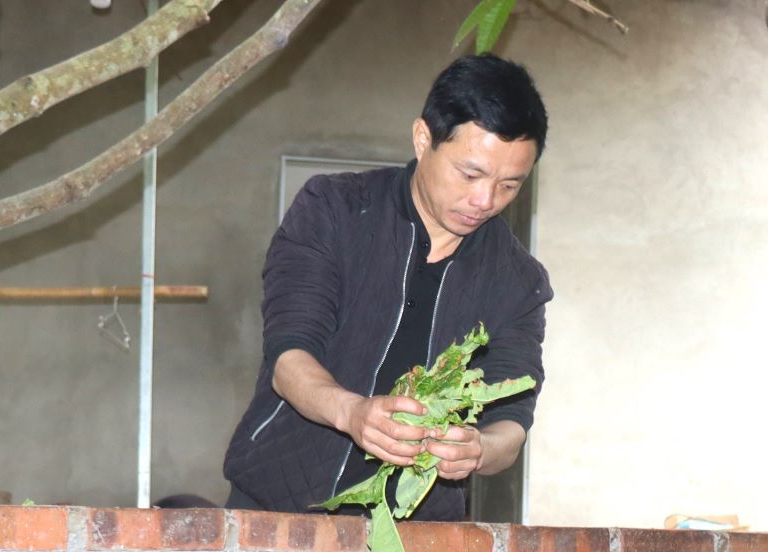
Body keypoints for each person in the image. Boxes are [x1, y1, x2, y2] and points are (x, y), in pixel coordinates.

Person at [222, 55, 551, 519]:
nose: (485, 200)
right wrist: (352, 414)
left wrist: (477, 449)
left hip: (415, 536)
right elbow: (289, 356)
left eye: (509, 185)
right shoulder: (334, 210)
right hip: (274, 510)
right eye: (471, 174)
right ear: (423, 138)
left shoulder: (519, 282)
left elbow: (511, 423)